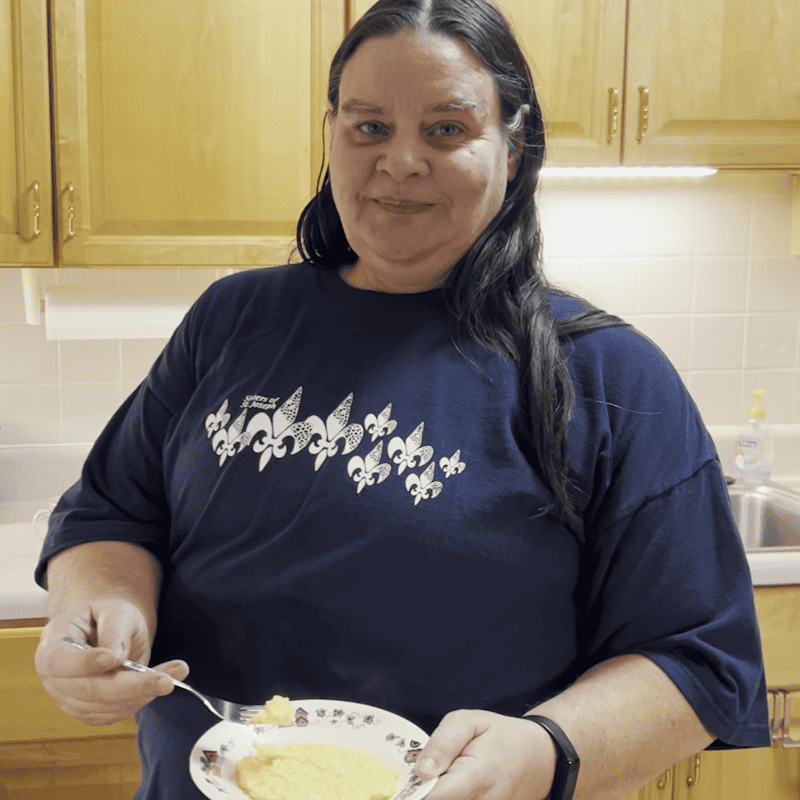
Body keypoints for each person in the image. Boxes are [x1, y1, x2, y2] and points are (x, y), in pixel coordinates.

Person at [34, 1, 770, 799]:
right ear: (333, 136)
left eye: (447, 130)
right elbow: (111, 512)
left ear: (513, 150)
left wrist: (545, 750)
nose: (402, 161)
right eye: (370, 127)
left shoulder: (606, 374)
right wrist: (96, 614)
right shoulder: (232, 319)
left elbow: (702, 663)